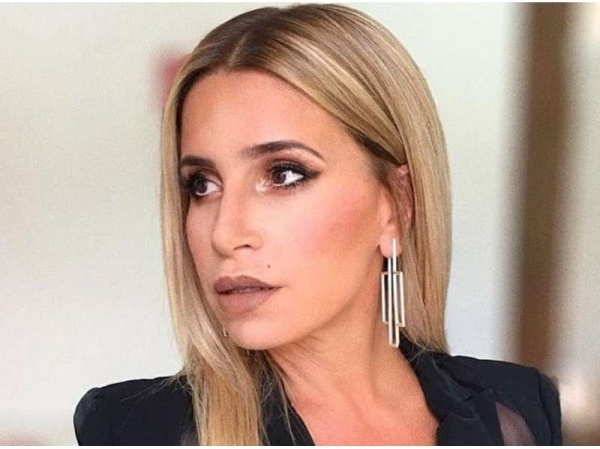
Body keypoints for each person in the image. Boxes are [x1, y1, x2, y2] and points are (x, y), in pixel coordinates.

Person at [73, 4, 562, 445]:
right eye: (202, 184)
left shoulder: (520, 410)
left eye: (284, 174)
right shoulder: (136, 429)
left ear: (396, 205)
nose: (224, 232)